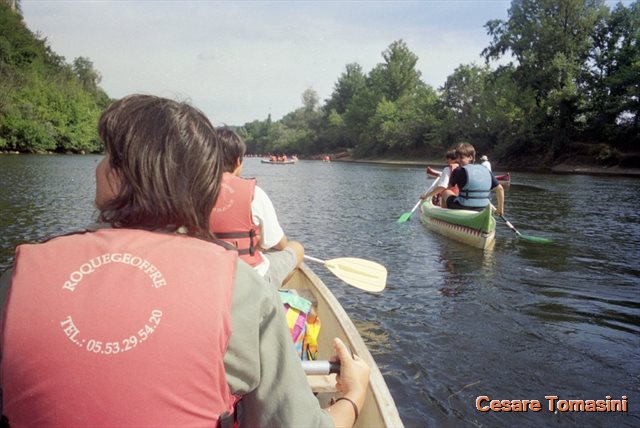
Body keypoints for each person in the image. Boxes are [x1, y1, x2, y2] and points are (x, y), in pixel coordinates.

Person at [0, 95, 369, 427]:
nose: (98, 166)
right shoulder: (240, 286)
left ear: (126, 174)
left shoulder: (18, 277)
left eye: (108, 155)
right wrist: (352, 398)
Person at [210, 127, 304, 287]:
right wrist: (257, 242)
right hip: (250, 278)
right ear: (238, 162)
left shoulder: (191, 192)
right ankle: (269, 296)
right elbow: (280, 244)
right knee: (296, 248)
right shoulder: (254, 193)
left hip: (207, 272)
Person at [441, 142, 505, 215]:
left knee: (445, 192)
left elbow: (449, 188)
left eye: (461, 157)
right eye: (457, 157)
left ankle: (444, 215)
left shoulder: (458, 170)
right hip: (484, 208)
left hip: (463, 207)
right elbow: (500, 189)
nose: (458, 160)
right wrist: (500, 209)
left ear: (470, 157)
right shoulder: (486, 170)